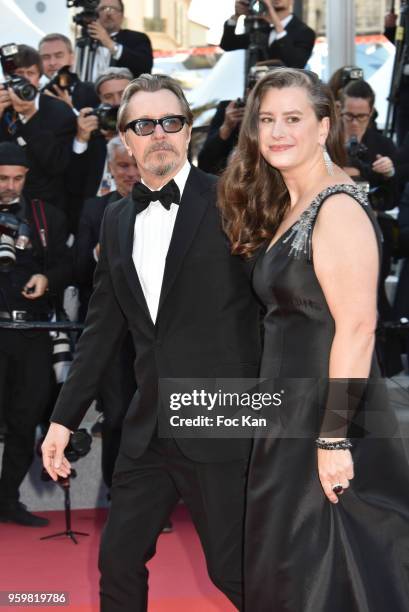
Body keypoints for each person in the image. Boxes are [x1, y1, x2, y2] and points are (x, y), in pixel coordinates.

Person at [41, 74, 260, 611]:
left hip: (221, 418)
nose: (158, 133)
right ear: (126, 138)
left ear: (188, 132)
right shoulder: (116, 221)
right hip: (148, 426)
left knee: (234, 571)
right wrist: (63, 419)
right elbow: (100, 332)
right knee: (117, 561)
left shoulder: (234, 202)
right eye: (144, 124)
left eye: (171, 121)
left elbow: (277, 310)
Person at [218, 67, 409, 611]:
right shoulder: (292, 203)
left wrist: (332, 438)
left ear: (323, 126)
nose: (277, 131)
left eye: (293, 119)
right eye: (267, 119)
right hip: (286, 413)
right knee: (289, 566)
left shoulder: (338, 206)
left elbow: (357, 326)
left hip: (325, 416)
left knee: (321, 569)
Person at [0, 142, 72, 527]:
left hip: (33, 335)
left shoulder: (47, 216)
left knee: (25, 420)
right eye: (3, 178)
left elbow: (69, 266)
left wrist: (49, 277)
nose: (11, 186)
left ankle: (7, 501)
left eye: (18, 178)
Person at [0, 45, 77, 211]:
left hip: (46, 209)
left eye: (31, 73)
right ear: (7, 77)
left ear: (39, 78)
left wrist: (31, 117)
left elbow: (58, 165)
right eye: (19, 74)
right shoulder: (2, 106)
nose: (26, 80)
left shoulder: (59, 111)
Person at [220, 0, 315, 69]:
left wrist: (275, 21)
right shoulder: (262, 29)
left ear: (292, 1)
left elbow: (295, 64)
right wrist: (236, 16)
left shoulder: (305, 32)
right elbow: (228, 44)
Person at [88, 0, 153, 80]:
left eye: (113, 9)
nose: (108, 13)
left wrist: (110, 44)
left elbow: (144, 67)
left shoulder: (138, 38)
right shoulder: (86, 42)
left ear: (122, 16)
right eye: (103, 8)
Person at [39, 33, 99, 111]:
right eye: (46, 57)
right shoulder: (35, 96)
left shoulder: (93, 91)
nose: (52, 63)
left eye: (58, 56)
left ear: (72, 58)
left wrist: (68, 109)